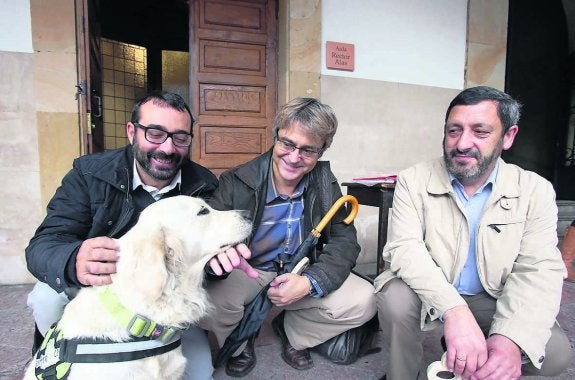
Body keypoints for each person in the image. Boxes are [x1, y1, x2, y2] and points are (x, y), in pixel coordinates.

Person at [25, 90, 253, 380]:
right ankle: (61, 356)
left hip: (162, 301)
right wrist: (73, 260)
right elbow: (43, 244)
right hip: (99, 291)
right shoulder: (89, 173)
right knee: (46, 297)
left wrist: (215, 260)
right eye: (155, 134)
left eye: (180, 138)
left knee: (199, 374)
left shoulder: (202, 184)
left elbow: (206, 246)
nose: (169, 148)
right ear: (132, 131)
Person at [375, 86, 574, 380]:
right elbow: (405, 249)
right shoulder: (413, 180)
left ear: (508, 136)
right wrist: (454, 310)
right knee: (395, 298)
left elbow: (538, 269)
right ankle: (403, 375)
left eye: (480, 132)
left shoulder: (535, 190)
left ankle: (476, 362)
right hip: (432, 291)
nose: (462, 143)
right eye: (454, 130)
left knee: (555, 354)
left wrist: (511, 339)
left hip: (491, 295)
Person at [200, 97, 377, 377]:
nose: (295, 158)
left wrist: (310, 282)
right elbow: (208, 242)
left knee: (365, 300)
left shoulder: (324, 182)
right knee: (208, 302)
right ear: (276, 136)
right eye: (288, 144)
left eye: (308, 150)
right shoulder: (236, 181)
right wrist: (216, 258)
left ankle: (295, 335)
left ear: (321, 151)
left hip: (300, 270)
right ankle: (240, 345)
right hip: (249, 271)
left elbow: (345, 241)